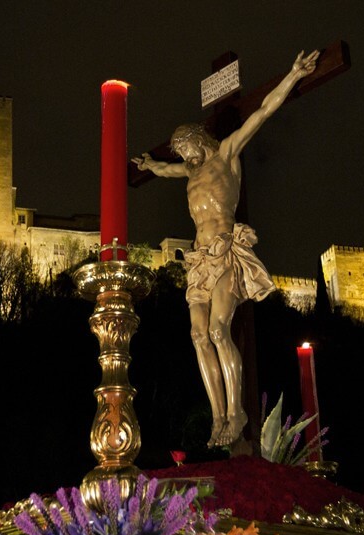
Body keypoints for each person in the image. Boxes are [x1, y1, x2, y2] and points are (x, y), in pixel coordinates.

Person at [132, 49, 319, 447]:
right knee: (198, 336)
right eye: (180, 153)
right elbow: (165, 169)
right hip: (199, 260)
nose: (185, 157)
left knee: (219, 330)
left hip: (224, 252)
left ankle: (237, 411)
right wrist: (150, 165)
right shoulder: (189, 169)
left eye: (187, 149)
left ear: (199, 140)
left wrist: (293, 75)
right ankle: (218, 417)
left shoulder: (227, 152)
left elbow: (263, 112)